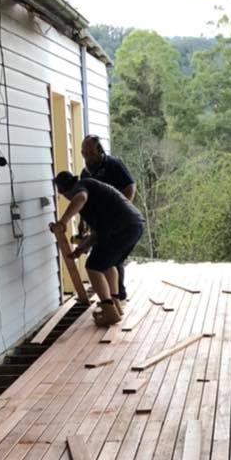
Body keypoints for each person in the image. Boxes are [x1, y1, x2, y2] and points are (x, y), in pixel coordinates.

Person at [51, 171, 144, 327]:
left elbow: (81, 198)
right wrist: (81, 248)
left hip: (122, 227)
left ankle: (110, 313)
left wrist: (62, 222)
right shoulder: (92, 193)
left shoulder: (81, 187)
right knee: (108, 264)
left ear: (62, 191)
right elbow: (98, 232)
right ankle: (115, 305)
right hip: (134, 225)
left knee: (93, 267)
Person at [81, 135, 136, 302]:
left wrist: (123, 209)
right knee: (102, 258)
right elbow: (83, 199)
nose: (87, 157)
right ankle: (108, 296)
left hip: (118, 220)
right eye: (84, 153)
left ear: (100, 150)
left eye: (91, 153)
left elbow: (130, 186)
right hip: (99, 222)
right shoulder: (85, 173)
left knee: (113, 257)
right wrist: (83, 222)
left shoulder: (113, 165)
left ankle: (118, 295)